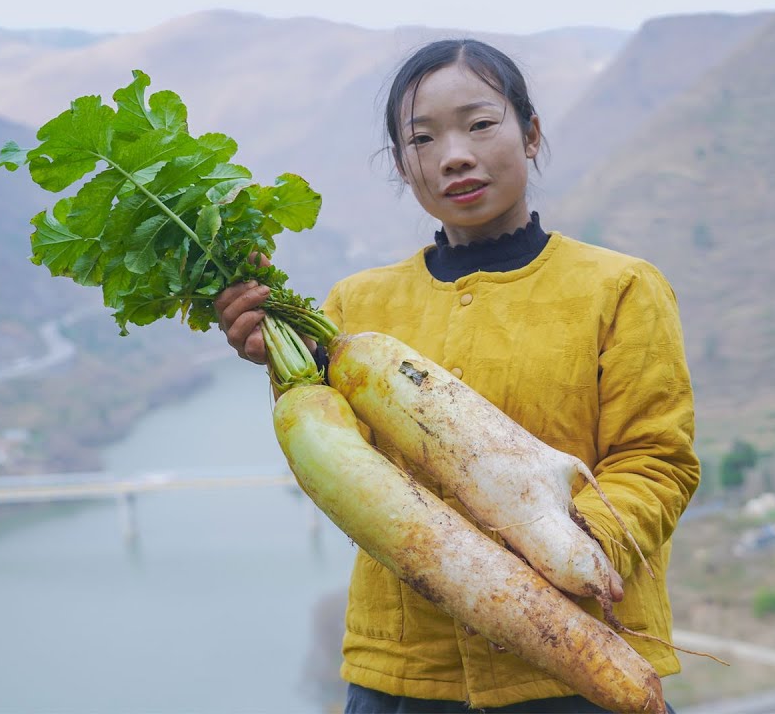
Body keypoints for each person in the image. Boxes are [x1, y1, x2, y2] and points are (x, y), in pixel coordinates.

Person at [215, 39, 698, 714]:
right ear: (401, 166)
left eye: (480, 124)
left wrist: (574, 547)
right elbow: (341, 473)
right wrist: (276, 362)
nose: (455, 155)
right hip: (406, 677)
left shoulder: (619, 288)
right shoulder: (356, 306)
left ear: (530, 134)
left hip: (583, 660)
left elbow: (658, 460)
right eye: (423, 139)